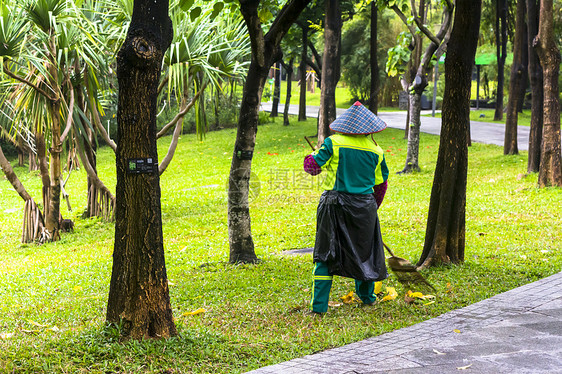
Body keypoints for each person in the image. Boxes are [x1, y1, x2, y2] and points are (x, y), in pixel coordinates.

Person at [303, 101, 389, 314]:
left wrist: (311, 157)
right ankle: (367, 298)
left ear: (345, 125)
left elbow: (312, 168)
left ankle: (319, 307)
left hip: (334, 204)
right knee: (365, 251)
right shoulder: (377, 151)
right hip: (364, 207)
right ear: (369, 129)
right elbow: (381, 185)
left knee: (325, 253)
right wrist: (371, 209)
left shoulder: (334, 143)